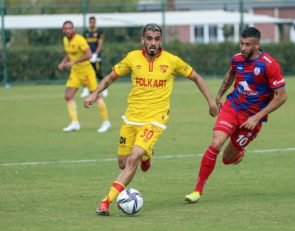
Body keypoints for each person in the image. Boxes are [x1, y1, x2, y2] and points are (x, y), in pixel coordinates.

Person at [84, 23, 218, 216]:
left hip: (156, 119)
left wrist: (211, 102)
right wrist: (95, 94)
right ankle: (148, 154)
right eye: (149, 38)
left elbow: (196, 77)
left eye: (156, 39)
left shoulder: (172, 60)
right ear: (143, 40)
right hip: (131, 118)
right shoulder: (132, 58)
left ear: (161, 41)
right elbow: (111, 77)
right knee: (122, 163)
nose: (153, 42)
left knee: (133, 159)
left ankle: (105, 202)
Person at [184, 26, 287, 203]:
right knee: (216, 142)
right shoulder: (237, 59)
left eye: (248, 44)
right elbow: (230, 74)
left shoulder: (269, 65)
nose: (243, 48)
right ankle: (197, 191)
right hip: (233, 107)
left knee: (227, 159)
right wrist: (218, 96)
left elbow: (282, 96)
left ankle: (238, 154)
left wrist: (257, 117)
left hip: (253, 118)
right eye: (241, 43)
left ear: (257, 45)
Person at [58, 20, 111, 133]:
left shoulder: (80, 39)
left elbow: (89, 55)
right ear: (63, 30)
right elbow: (69, 53)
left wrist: (73, 62)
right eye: (65, 28)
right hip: (75, 72)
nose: (68, 30)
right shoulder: (65, 40)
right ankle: (75, 123)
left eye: (69, 28)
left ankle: (106, 122)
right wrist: (63, 63)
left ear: (73, 29)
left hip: (86, 71)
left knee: (96, 96)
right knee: (68, 96)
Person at [80, 16, 108, 98]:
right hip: (88, 56)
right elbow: (84, 45)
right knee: (86, 73)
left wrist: (95, 54)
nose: (92, 23)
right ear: (89, 23)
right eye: (90, 22)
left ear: (95, 22)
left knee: (98, 73)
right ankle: (85, 90)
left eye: (93, 22)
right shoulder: (85, 33)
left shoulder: (99, 32)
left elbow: (100, 44)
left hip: (97, 56)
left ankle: (104, 89)